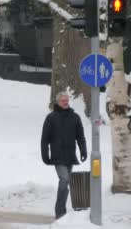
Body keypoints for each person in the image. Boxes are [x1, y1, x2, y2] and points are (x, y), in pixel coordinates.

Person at [41, 92, 87, 220]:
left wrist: (83, 150)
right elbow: (45, 139)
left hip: (70, 156)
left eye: (67, 100)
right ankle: (60, 211)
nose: (65, 102)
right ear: (57, 102)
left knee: (66, 182)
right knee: (64, 180)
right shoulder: (51, 118)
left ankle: (61, 211)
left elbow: (80, 137)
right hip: (57, 156)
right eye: (63, 101)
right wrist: (45, 155)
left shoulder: (75, 117)